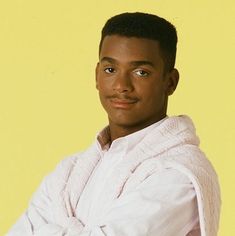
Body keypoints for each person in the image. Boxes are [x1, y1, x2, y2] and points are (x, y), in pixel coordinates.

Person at [7, 12, 221, 236]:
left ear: (170, 82)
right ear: (97, 75)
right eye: (110, 70)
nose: (121, 85)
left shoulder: (179, 175)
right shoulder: (68, 173)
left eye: (141, 72)